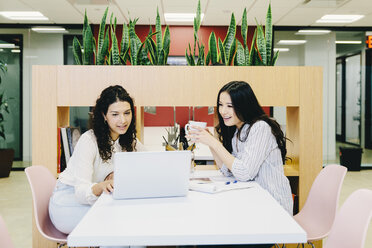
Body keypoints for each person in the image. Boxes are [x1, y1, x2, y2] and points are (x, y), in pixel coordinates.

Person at [49, 85, 146, 235]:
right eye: (115, 114)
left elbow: (150, 164)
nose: (123, 120)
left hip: (100, 202)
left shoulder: (129, 141)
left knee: (131, 216)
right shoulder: (89, 140)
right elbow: (81, 192)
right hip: (68, 203)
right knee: (123, 220)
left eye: (127, 113)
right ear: (103, 115)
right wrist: (102, 186)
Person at [188, 81, 293, 215]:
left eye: (230, 106)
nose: (223, 111)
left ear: (244, 106)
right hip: (255, 200)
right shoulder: (238, 132)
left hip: (273, 205)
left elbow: (244, 173)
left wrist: (214, 143)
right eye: (220, 105)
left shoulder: (260, 128)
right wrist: (210, 142)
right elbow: (228, 171)